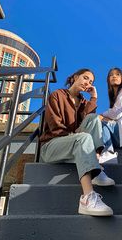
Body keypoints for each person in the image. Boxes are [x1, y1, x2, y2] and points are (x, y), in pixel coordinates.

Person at [40, 68, 114, 217]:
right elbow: (55, 126)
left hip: (75, 143)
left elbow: (90, 124)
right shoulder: (57, 95)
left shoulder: (84, 102)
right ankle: (87, 199)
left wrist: (94, 97)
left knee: (94, 119)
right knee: (83, 138)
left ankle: (96, 166)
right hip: (52, 145)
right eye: (85, 78)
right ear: (75, 77)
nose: (88, 83)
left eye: (91, 81)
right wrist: (75, 134)